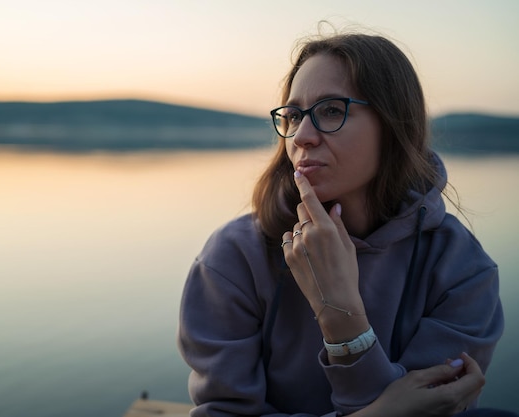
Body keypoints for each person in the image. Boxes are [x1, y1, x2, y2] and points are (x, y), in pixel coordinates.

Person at [177, 29, 514, 417]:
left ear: (394, 125)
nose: (302, 136)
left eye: (331, 110)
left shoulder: (462, 269)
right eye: (293, 115)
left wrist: (341, 317)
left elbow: (435, 408)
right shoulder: (234, 257)